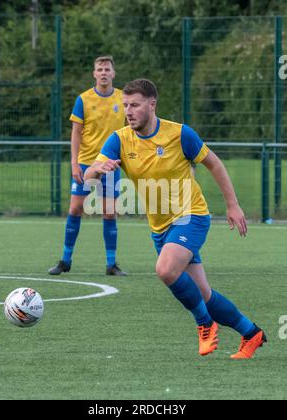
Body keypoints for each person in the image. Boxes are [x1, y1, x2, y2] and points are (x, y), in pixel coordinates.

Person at [84, 78, 267, 359]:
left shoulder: (180, 134)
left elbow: (214, 164)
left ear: (152, 104)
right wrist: (98, 169)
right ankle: (251, 333)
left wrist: (233, 204)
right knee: (204, 294)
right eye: (125, 106)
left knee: (166, 270)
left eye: (134, 105)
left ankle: (205, 324)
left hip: (191, 216)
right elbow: (88, 175)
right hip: (160, 228)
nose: (128, 111)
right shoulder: (119, 139)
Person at [49, 56, 127, 276]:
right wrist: (74, 163)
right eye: (99, 69)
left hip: (110, 164)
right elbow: (76, 132)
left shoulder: (123, 99)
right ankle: (65, 260)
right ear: (94, 73)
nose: (103, 73)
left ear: (113, 73)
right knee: (75, 209)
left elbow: (130, 130)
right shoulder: (83, 99)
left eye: (107, 69)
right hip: (85, 163)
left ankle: (111, 264)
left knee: (109, 213)